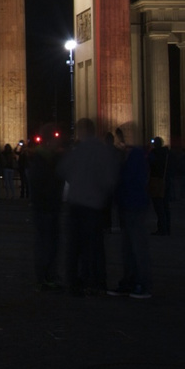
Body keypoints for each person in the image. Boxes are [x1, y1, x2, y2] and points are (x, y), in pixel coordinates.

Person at [59, 118, 117, 297]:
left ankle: (74, 283)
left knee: (74, 247)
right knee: (95, 247)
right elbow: (110, 180)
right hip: (94, 206)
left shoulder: (76, 151)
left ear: (81, 132)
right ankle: (97, 283)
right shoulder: (103, 151)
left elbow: (62, 171)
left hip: (76, 205)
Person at [110, 125, 152, 298]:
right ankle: (129, 280)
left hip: (134, 205)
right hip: (126, 205)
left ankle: (142, 284)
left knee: (137, 247)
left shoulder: (137, 155)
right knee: (127, 248)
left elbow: (135, 180)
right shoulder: (128, 155)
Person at [27, 127, 64, 290]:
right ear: (49, 141)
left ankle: (47, 274)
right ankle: (46, 275)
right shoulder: (43, 160)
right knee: (46, 243)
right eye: (56, 141)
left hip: (47, 206)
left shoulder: (44, 158)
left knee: (47, 242)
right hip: (46, 206)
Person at [147, 137, 171, 235]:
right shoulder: (167, 153)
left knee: (158, 206)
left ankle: (162, 228)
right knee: (165, 206)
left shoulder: (154, 153)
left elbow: (150, 164)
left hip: (157, 181)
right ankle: (167, 227)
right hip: (166, 181)